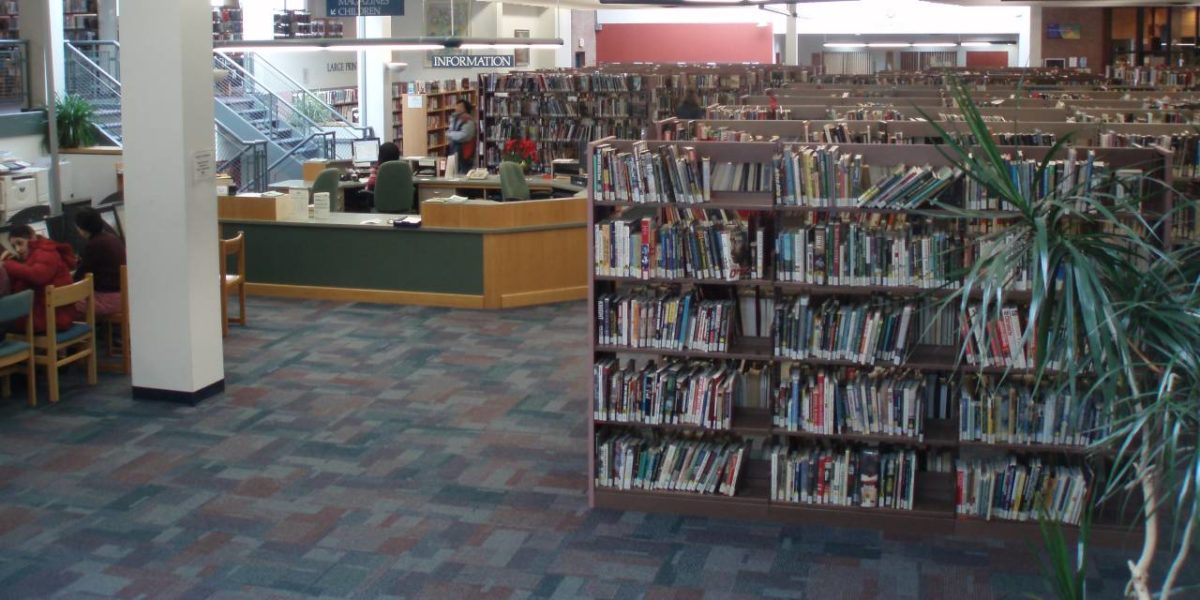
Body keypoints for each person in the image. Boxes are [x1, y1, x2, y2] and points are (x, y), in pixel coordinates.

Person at [2, 224, 77, 334]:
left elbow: (38, 276)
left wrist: (7, 265)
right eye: (14, 247)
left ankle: (27, 350)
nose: (18, 249)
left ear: (31, 239)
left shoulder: (45, 252)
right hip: (54, 315)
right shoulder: (42, 250)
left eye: (20, 243)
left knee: (4, 323)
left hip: (49, 319)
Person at [72, 207, 126, 317]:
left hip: (110, 300)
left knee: (65, 302)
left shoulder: (94, 245)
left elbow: (79, 277)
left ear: (82, 228)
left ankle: (90, 333)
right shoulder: (112, 238)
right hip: (123, 296)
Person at [446, 99, 477, 175]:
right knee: (454, 173)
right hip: (454, 152)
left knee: (464, 174)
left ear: (465, 109)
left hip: (465, 153)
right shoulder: (454, 118)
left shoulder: (468, 121)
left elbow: (464, 136)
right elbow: (451, 130)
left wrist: (450, 134)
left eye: (460, 106)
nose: (457, 108)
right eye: (457, 106)